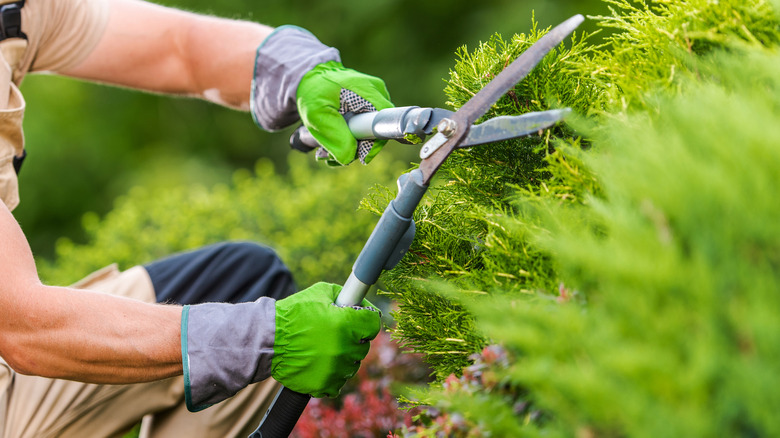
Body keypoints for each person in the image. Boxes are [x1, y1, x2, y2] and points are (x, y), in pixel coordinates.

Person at [0, 0, 393, 436]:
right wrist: (261, 338)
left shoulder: (15, 14)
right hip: (19, 342)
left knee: (245, 282)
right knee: (251, 333)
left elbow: (177, 48)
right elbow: (26, 328)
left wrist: (299, 71)